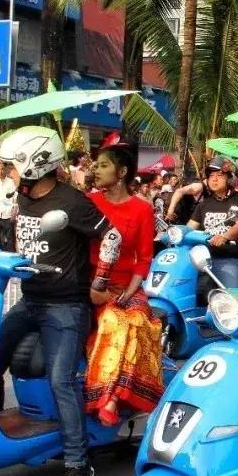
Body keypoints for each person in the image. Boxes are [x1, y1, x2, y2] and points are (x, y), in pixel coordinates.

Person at [0, 126, 122, 476]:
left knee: (60, 380)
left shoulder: (72, 201)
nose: (9, 173)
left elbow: (111, 236)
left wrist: (100, 281)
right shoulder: (25, 197)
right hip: (30, 299)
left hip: (66, 306)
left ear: (34, 163)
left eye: (13, 166)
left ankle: (77, 464)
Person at [83, 143, 163, 424]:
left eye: (103, 165)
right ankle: (105, 395)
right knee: (114, 322)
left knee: (139, 321)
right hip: (92, 286)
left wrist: (129, 293)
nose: (96, 169)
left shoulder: (142, 209)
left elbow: (144, 258)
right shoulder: (89, 202)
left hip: (127, 286)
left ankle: (113, 398)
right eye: (96, 165)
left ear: (122, 172)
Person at [186, 157, 238, 287]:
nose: (214, 179)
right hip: (203, 260)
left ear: (230, 178)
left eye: (219, 175)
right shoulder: (204, 204)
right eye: (211, 176)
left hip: (230, 259)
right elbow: (189, 228)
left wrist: (225, 236)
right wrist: (174, 234)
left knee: (231, 299)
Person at [0, 160, 17, 251]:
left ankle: (10, 254)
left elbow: (15, 198)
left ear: (5, 170)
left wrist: (14, 211)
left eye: (2, 169)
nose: (0, 171)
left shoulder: (11, 182)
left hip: (9, 213)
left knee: (10, 238)